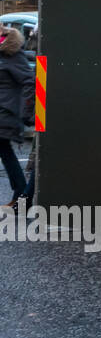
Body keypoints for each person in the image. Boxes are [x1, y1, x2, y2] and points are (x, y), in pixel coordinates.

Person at [0, 28, 35, 208]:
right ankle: (21, 194)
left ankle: (21, 193)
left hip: (7, 113)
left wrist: (25, 111)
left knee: (5, 151)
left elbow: (29, 80)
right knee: (5, 152)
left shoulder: (11, 52)